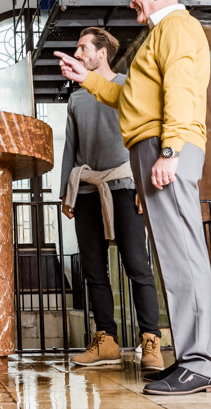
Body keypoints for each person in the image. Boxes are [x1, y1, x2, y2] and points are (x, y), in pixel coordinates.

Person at [56, 0, 211, 397]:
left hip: (165, 149)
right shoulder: (157, 36)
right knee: (172, 257)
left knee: (182, 254)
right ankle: (189, 359)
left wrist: (170, 151)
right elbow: (127, 98)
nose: (132, 0)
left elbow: (182, 90)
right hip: (151, 146)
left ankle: (201, 362)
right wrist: (86, 79)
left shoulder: (178, 28)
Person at [60, 27, 163, 369]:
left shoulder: (125, 85)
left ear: (101, 53)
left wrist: (144, 186)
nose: (77, 53)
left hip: (124, 184)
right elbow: (70, 147)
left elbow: (144, 133)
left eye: (82, 47)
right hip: (87, 187)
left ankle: (150, 339)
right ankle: (106, 340)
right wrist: (66, 192)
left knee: (136, 263)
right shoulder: (76, 98)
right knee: (93, 269)